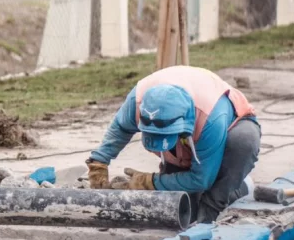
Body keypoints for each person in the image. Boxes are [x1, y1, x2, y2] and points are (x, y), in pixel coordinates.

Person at [86, 65, 261, 223]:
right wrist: (99, 162)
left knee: (242, 142)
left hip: (230, 127)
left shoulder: (212, 119)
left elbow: (201, 180)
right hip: (188, 136)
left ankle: (228, 195)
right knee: (181, 208)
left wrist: (149, 181)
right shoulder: (138, 102)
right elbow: (120, 128)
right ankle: (189, 188)